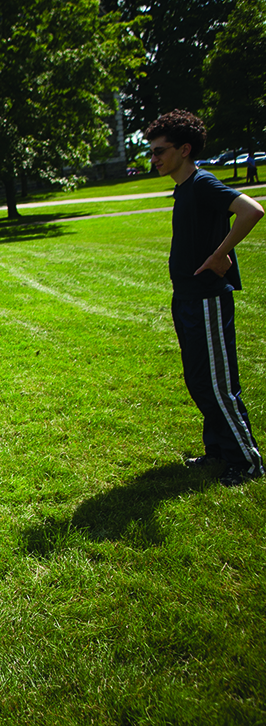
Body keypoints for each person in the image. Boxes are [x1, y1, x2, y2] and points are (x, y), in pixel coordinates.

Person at [145, 109, 264, 487]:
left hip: (207, 299)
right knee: (199, 380)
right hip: (186, 298)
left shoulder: (202, 183)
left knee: (217, 383)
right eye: (152, 152)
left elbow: (251, 210)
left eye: (160, 151)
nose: (155, 158)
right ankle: (219, 449)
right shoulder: (184, 189)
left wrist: (220, 253)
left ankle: (247, 462)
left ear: (185, 149)